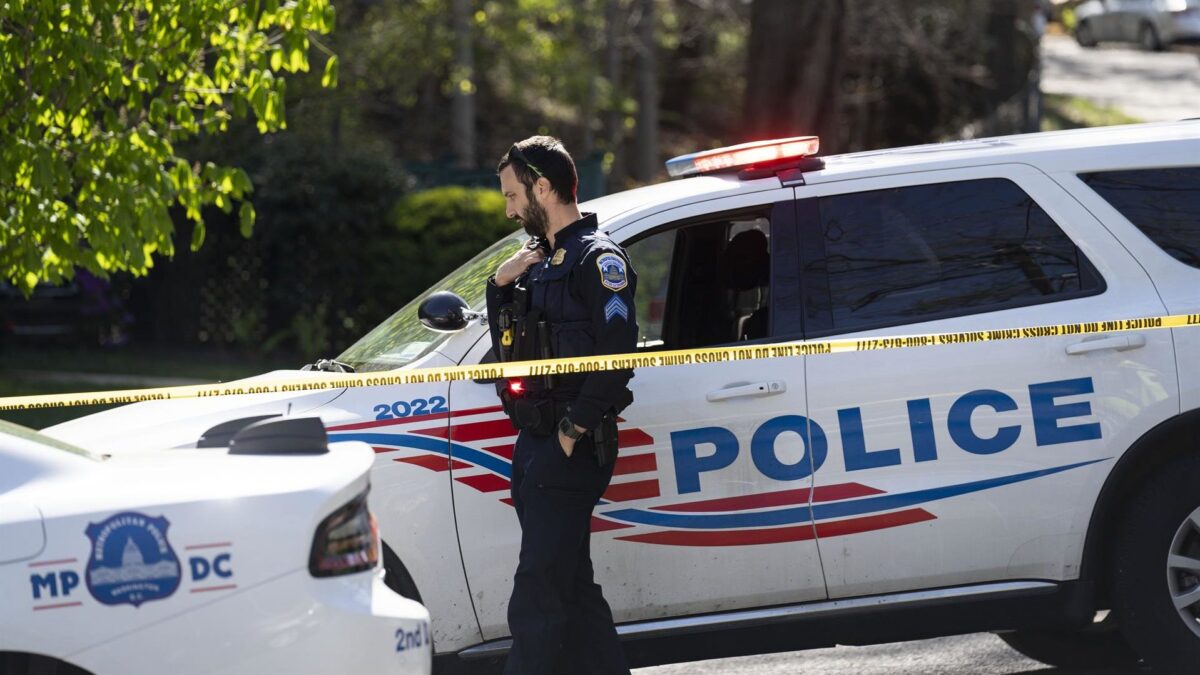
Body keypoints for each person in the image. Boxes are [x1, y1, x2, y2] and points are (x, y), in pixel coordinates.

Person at [485, 135, 637, 675]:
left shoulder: (598, 260)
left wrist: (572, 432)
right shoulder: (542, 261)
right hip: (536, 443)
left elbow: (617, 358)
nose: (510, 210)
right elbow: (509, 343)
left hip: (570, 446)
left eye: (513, 195)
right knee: (571, 586)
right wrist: (499, 283)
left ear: (543, 188)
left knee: (538, 591)